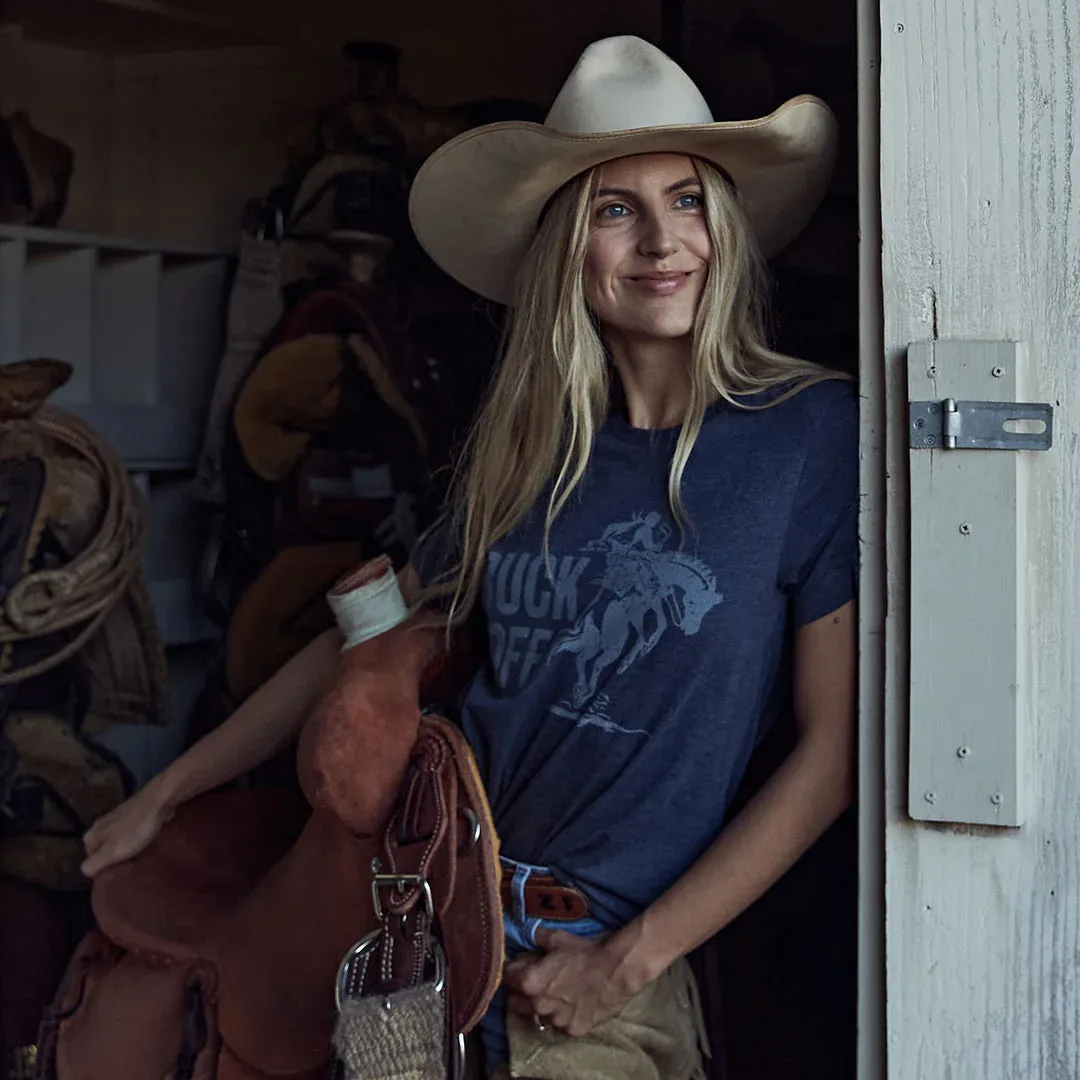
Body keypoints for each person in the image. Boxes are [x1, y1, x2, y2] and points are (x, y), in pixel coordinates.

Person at [83, 36, 857, 1080]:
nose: (662, 241)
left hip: (599, 975)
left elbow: (833, 752)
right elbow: (346, 650)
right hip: (417, 931)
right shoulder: (523, 450)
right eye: (614, 209)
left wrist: (632, 958)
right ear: (565, 249)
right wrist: (164, 794)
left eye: (687, 199)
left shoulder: (803, 436)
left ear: (723, 223)